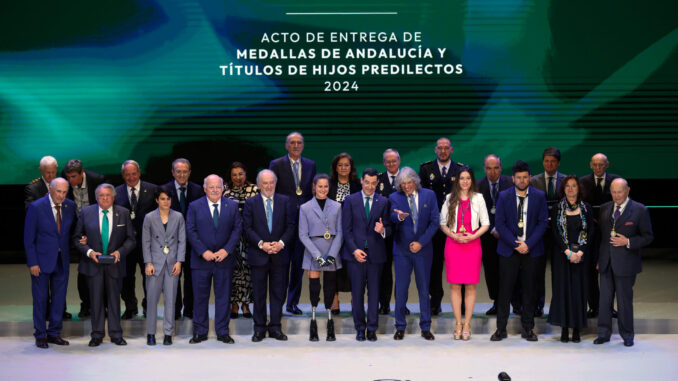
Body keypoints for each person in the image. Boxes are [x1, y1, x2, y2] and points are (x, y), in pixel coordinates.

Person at [491, 161, 548, 342]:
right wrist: (516, 244)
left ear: (529, 178)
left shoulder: (539, 196)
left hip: (531, 251)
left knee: (530, 291)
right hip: (509, 250)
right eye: (519, 177)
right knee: (505, 291)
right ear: (513, 178)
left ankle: (528, 328)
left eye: (525, 177)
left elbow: (543, 223)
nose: (522, 181)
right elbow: (500, 224)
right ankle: (501, 329)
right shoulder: (504, 196)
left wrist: (528, 244)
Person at [73, 183, 136, 347]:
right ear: (96, 197)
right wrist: (89, 252)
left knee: (114, 300)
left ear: (113, 197)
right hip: (93, 265)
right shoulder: (86, 213)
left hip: (115, 264)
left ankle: (116, 334)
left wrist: (120, 252)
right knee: (95, 301)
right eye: (101, 196)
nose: (105, 198)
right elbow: (76, 238)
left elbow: (131, 239)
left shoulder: (123, 213)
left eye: (108, 195)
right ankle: (97, 334)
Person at [594, 178, 653, 347]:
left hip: (626, 264)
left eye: (620, 191)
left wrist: (628, 242)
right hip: (606, 262)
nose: (616, 195)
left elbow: (648, 237)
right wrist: (599, 258)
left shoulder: (640, 210)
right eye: (613, 192)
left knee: (624, 301)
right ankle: (603, 333)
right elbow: (602, 237)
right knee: (604, 301)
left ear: (627, 191)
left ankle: (627, 335)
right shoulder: (605, 208)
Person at [185, 175, 242, 344]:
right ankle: (200, 331)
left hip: (224, 260)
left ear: (223, 187)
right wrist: (203, 251)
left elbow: (237, 229)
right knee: (200, 297)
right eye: (211, 187)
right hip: (201, 260)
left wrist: (226, 250)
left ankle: (223, 331)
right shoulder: (194, 206)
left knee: (223, 297)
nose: (215, 190)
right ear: (204, 188)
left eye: (218, 186)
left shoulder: (232, 206)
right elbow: (190, 230)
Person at [243, 169, 296, 342]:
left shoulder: (285, 201)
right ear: (259, 185)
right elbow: (247, 228)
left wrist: (280, 243)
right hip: (258, 255)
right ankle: (259, 328)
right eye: (265, 183)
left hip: (279, 255)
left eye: (271, 182)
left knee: (278, 293)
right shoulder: (250, 203)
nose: (268, 186)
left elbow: (291, 226)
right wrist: (262, 244)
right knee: (258, 294)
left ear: (276, 183)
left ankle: (275, 327)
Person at [389, 167, 440, 341]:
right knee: (401, 290)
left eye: (409, 182)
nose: (406, 186)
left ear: (415, 182)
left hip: (423, 250)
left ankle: (425, 327)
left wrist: (421, 242)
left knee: (424, 289)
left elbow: (435, 222)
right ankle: (400, 327)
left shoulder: (429, 195)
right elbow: (391, 218)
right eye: (402, 184)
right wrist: (399, 217)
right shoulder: (394, 198)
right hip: (402, 252)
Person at [24, 178, 76, 348]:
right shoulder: (36, 207)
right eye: (58, 192)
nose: (61, 196)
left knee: (59, 299)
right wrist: (32, 262)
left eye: (64, 192)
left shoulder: (70, 206)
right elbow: (28, 238)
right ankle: (40, 334)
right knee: (40, 299)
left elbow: (72, 232)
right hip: (41, 261)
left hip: (62, 260)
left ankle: (54, 333)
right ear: (51, 190)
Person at [269, 132, 316, 315]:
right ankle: (278, 304)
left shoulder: (311, 165)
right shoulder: (276, 164)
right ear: (287, 146)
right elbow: (271, 190)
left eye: (299, 143)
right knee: (281, 266)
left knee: (298, 265)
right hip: (283, 222)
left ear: (303, 145)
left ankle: (292, 303)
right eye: (292, 143)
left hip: (303, 222)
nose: (296, 145)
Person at [440, 168, 489, 340]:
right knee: (454, 286)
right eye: (462, 178)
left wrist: (473, 235)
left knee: (470, 286)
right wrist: (454, 235)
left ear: (472, 180)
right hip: (454, 245)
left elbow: (486, 223)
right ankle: (458, 323)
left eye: (468, 178)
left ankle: (467, 323)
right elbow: (443, 223)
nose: (465, 181)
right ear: (457, 180)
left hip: (472, 245)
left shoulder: (478, 198)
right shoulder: (449, 199)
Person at [342, 168, 391, 342]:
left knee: (374, 294)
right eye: (367, 182)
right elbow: (345, 229)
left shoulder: (383, 202)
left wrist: (383, 230)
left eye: (373, 183)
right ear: (362, 181)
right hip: (355, 255)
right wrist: (354, 250)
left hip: (376, 255)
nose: (370, 186)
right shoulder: (350, 200)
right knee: (357, 293)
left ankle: (372, 329)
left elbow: (389, 227)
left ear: (377, 183)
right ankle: (360, 328)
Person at [419, 137, 465, 315]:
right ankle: (435, 301)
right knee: (434, 266)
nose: (443, 151)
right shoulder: (426, 169)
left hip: (455, 226)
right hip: (434, 227)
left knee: (459, 265)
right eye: (440, 148)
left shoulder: (460, 169)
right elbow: (422, 196)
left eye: (446, 148)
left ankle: (461, 303)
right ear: (435, 150)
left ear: (452, 150)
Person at [548, 175, 595, 343]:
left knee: (578, 292)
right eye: (567, 186)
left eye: (574, 186)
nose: (570, 189)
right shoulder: (557, 208)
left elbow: (591, 233)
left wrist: (580, 252)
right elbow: (555, 232)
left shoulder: (586, 208)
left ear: (578, 188)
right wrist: (567, 251)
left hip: (581, 257)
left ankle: (576, 329)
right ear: (563, 189)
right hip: (562, 256)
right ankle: (564, 328)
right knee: (562, 292)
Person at [298, 174, 343, 341]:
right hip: (313, 251)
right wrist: (317, 255)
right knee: (314, 287)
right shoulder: (305, 208)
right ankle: (314, 323)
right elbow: (302, 235)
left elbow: (340, 233)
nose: (323, 189)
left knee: (330, 286)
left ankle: (330, 323)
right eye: (320, 186)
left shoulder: (337, 206)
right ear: (314, 187)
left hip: (331, 249)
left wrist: (332, 254)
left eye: (325, 186)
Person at [142, 186, 186, 346]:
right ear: (156, 200)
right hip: (154, 264)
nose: (166, 202)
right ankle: (151, 333)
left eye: (168, 199)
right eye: (162, 199)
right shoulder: (149, 218)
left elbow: (182, 241)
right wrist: (148, 262)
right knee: (152, 300)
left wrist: (180, 261)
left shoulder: (178, 217)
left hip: (172, 264)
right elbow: (145, 242)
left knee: (171, 299)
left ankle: (168, 333)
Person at [63, 159, 105, 319]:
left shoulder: (97, 180)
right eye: (68, 177)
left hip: (98, 230)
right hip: (77, 231)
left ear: (82, 173)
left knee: (101, 269)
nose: (70, 181)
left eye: (73, 177)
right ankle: (85, 304)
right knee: (83, 271)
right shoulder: (65, 178)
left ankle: (101, 306)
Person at [114, 160, 157, 319]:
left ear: (139, 173)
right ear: (123, 176)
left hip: (149, 243)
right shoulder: (116, 192)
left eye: (134, 173)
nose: (131, 177)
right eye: (127, 174)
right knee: (126, 277)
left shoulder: (153, 190)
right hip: (125, 244)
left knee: (149, 276)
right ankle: (130, 307)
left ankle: (148, 306)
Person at [579, 153, 619, 318]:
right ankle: (594, 306)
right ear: (590, 165)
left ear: (607, 165)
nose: (598, 168)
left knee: (609, 270)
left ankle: (608, 307)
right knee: (589, 271)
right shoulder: (582, 182)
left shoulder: (616, 182)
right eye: (595, 164)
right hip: (589, 233)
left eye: (601, 164)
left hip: (610, 232)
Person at [163, 158, 204, 319]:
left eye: (185, 171)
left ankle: (190, 310)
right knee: (173, 278)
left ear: (190, 173)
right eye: (178, 171)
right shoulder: (164, 190)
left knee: (191, 278)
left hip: (193, 243)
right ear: (173, 172)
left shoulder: (198, 190)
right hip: (171, 243)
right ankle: (174, 310)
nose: (181, 174)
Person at [529, 147, 566, 317]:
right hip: (539, 234)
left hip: (560, 233)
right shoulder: (533, 181)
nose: (549, 164)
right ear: (543, 162)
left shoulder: (567, 181)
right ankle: (538, 305)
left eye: (552, 161)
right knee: (537, 271)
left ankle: (559, 306)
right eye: (546, 161)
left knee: (559, 271)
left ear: (558, 163)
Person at [476, 154, 513, 315]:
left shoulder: (510, 183)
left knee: (509, 270)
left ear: (501, 168)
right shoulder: (477, 186)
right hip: (487, 235)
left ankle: (514, 303)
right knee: (491, 270)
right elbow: (476, 212)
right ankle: (497, 302)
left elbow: (514, 210)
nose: (492, 172)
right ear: (484, 169)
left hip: (508, 235)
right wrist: (491, 228)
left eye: (496, 168)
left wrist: (502, 229)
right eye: (489, 168)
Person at [223, 162, 258, 320]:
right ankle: (234, 305)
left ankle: (246, 305)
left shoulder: (255, 190)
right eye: (234, 175)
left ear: (246, 174)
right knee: (234, 273)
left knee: (248, 272)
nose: (238, 177)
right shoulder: (225, 191)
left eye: (240, 174)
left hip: (250, 238)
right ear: (230, 176)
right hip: (231, 239)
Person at [327, 152, 361, 314]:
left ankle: (356, 301)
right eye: (340, 165)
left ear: (351, 167)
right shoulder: (329, 184)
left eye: (346, 165)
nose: (343, 168)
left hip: (353, 233)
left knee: (353, 268)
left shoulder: (357, 185)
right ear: (335, 167)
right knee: (334, 267)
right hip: (332, 234)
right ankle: (335, 302)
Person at [376, 149, 402, 315]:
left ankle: (402, 304)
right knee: (384, 270)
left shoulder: (407, 179)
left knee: (402, 271)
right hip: (384, 233)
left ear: (399, 160)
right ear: (384, 163)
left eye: (394, 160)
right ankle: (384, 303)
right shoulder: (378, 180)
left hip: (404, 232)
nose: (391, 164)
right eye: (388, 161)